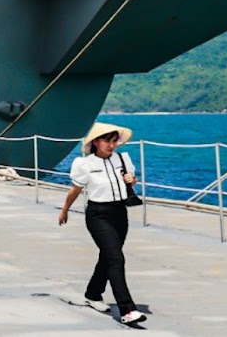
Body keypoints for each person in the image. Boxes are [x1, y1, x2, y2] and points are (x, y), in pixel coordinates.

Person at [59, 122, 145, 327]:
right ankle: (127, 310)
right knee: (116, 258)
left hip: (119, 213)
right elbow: (76, 189)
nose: (112, 145)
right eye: (107, 140)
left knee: (108, 257)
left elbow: (131, 182)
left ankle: (93, 294)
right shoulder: (84, 164)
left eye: (114, 141)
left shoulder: (123, 159)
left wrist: (132, 180)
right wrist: (65, 210)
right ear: (96, 142)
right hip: (98, 215)